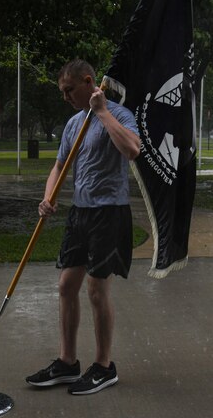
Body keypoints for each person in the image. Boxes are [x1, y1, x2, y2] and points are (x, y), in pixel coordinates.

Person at [25, 59, 140, 395]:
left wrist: (102, 112)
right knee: (65, 287)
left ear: (89, 82)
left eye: (69, 90)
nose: (65, 97)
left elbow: (133, 150)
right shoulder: (73, 124)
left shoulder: (119, 115)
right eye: (63, 92)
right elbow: (59, 165)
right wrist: (48, 197)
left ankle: (104, 366)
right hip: (81, 213)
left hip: (110, 212)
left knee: (95, 290)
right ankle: (67, 363)